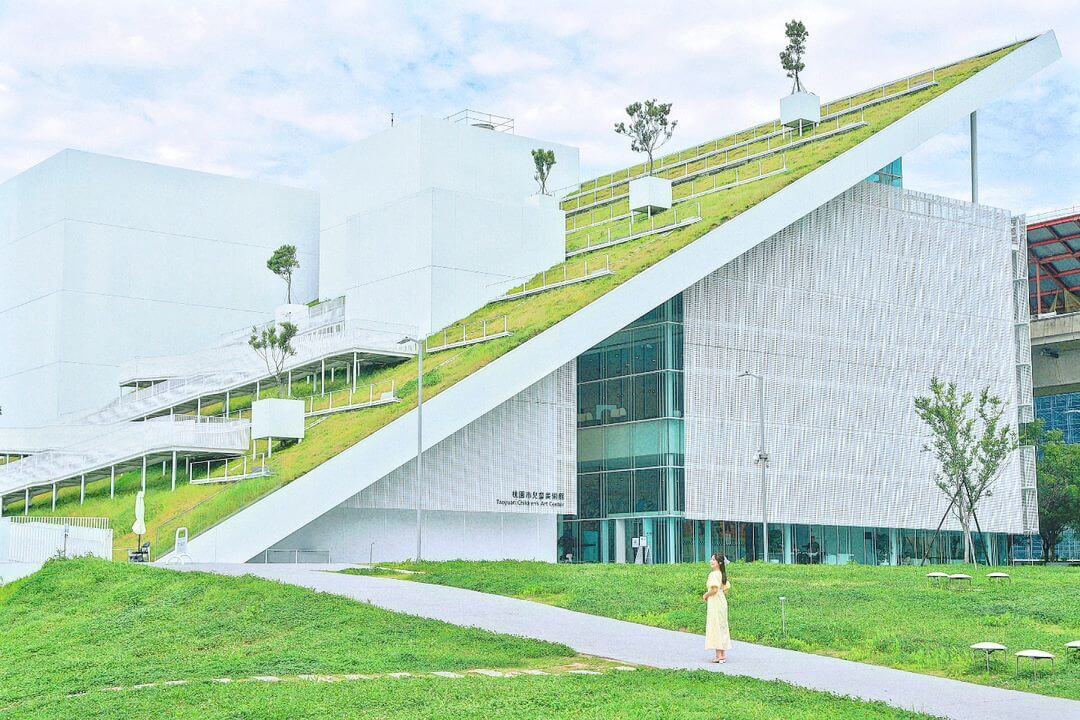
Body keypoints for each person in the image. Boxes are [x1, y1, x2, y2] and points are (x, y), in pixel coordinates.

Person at [702, 553, 732, 663]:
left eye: (713, 560)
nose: (711, 561)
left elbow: (714, 590)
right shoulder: (722, 574)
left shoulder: (713, 574)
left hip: (715, 601)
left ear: (719, 563)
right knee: (722, 626)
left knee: (715, 626)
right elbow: (725, 589)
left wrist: (705, 595)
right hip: (722, 601)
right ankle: (722, 654)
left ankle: (719, 655)